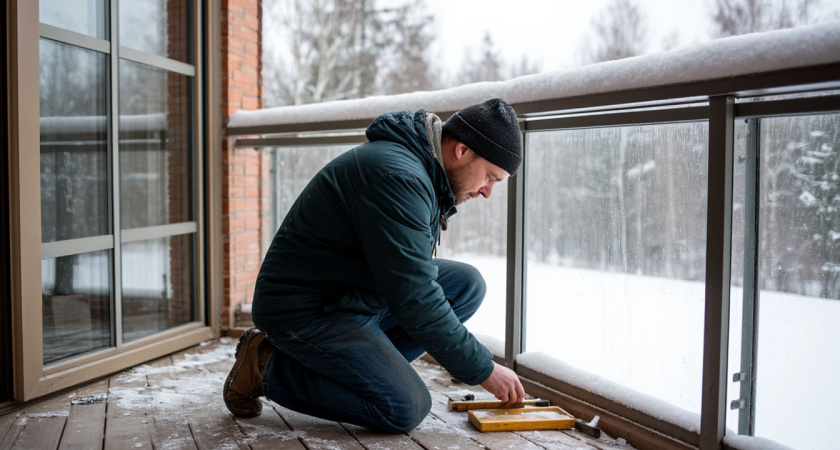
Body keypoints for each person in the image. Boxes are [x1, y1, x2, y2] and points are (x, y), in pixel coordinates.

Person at [223, 98, 526, 433]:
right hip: (308, 309)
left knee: (465, 285)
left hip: (350, 294)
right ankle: (265, 365)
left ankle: (363, 370)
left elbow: (411, 284)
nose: (488, 192)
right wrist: (484, 370)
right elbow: (415, 297)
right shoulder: (399, 176)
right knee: (403, 407)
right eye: (490, 177)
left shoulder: (421, 170)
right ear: (463, 150)